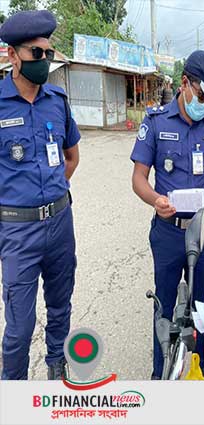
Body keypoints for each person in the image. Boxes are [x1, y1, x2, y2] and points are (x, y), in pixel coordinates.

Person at [130, 50, 204, 380]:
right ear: (184, 83)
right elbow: (138, 179)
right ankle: (160, 372)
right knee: (164, 305)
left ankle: (196, 368)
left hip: (202, 231)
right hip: (167, 231)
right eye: (202, 96)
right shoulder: (155, 121)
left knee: (199, 307)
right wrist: (156, 200)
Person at [0, 10, 80, 380]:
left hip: (60, 223)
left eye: (48, 53)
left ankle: (56, 369)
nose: (44, 61)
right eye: (36, 53)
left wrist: (50, 193)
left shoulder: (57, 100)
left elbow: (71, 156)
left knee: (61, 307)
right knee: (19, 326)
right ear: (12, 55)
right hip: (18, 232)